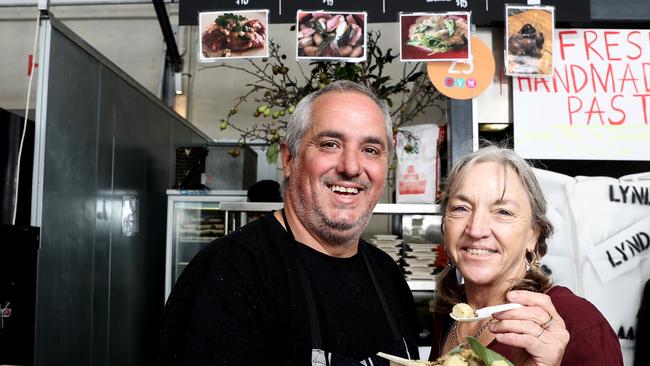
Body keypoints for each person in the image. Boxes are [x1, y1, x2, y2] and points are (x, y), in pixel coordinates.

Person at [158, 80, 419, 365]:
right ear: (289, 158)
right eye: (330, 144)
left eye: (370, 149)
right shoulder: (229, 272)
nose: (352, 167)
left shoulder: (388, 276)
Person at [429, 146, 623, 365]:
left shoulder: (577, 320)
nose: (476, 229)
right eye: (461, 208)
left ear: (533, 235)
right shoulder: (449, 314)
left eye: (503, 212)